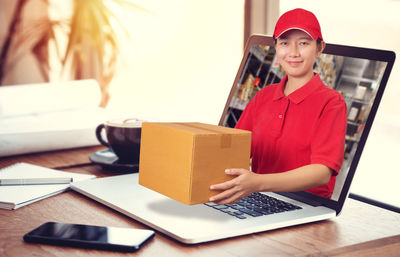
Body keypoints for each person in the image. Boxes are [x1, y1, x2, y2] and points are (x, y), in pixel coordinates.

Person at [210, 8, 347, 204]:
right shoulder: (263, 97)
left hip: (306, 206)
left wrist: (258, 182)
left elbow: (321, 172)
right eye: (284, 43)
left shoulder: (331, 103)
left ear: (319, 48)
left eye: (303, 43)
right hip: (257, 199)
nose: (293, 52)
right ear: (276, 47)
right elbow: (235, 150)